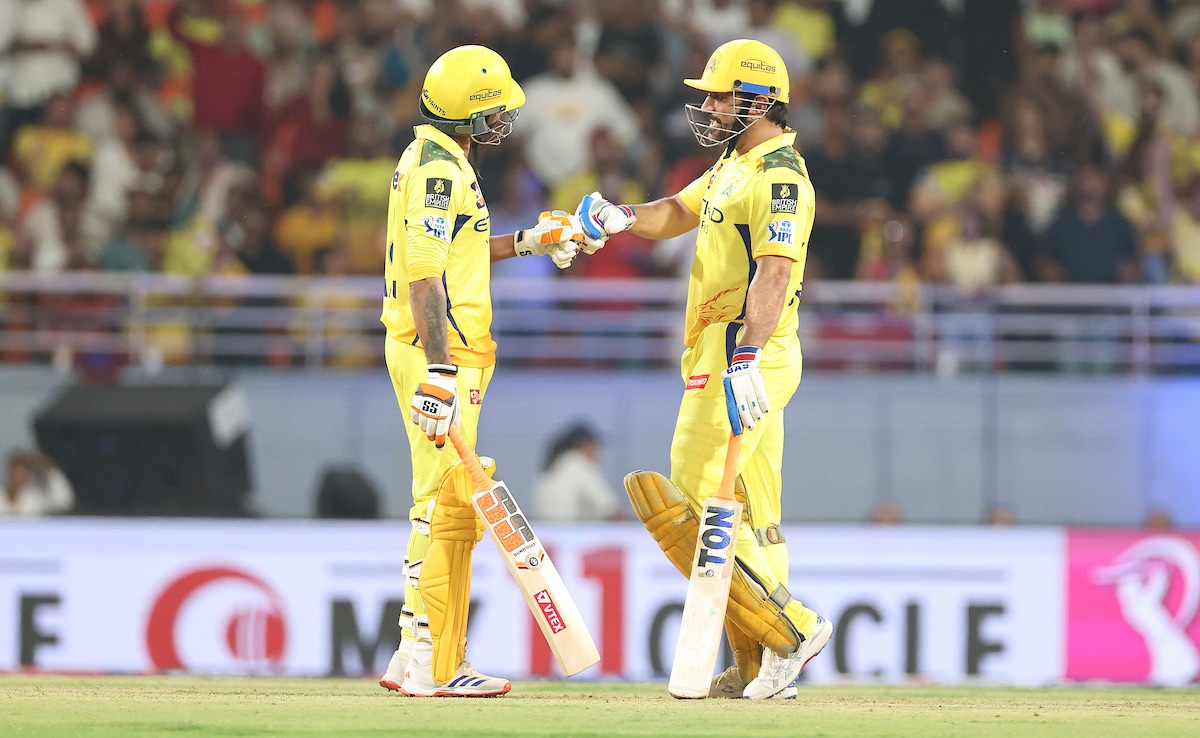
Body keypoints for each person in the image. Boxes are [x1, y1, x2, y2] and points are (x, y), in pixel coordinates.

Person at [577, 39, 830, 700]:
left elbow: (775, 273)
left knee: (691, 502)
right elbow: (678, 212)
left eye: (720, 96)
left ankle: (794, 629)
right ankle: (766, 665)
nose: (709, 107)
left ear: (760, 102)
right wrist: (620, 216)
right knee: (756, 516)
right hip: (736, 353)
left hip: (744, 354)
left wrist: (746, 358)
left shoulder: (779, 178)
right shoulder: (733, 164)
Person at [376, 45, 584, 699]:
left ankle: (412, 650)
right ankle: (433, 661)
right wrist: (441, 370)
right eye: (496, 111)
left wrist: (528, 242)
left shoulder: (432, 157)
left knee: (432, 504)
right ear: (470, 114)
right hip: (443, 353)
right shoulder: (440, 171)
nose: (504, 122)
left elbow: (457, 252)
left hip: (436, 350)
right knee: (444, 508)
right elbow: (426, 279)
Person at [533, 422, 623, 521]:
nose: (599, 453)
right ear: (585, 445)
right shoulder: (581, 466)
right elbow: (612, 509)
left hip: (544, 530)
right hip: (573, 529)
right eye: (596, 446)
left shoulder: (551, 470)